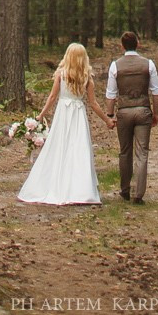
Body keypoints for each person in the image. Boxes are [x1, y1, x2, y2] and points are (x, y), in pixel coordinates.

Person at [17, 42, 104, 206]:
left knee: (60, 146)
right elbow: (93, 103)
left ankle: (57, 184)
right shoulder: (86, 78)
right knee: (78, 147)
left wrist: (41, 115)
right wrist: (106, 119)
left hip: (63, 113)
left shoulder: (61, 74)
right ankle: (81, 190)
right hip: (78, 113)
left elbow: (52, 97)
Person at [104, 29, 158, 203]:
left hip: (124, 112)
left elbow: (111, 94)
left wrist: (110, 114)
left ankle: (125, 190)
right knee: (142, 152)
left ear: (122, 46)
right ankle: (139, 194)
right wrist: (155, 113)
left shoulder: (115, 66)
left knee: (125, 152)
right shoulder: (148, 64)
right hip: (143, 110)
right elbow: (156, 92)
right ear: (138, 44)